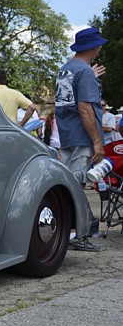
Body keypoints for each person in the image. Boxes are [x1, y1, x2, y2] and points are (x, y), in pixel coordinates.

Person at [55, 27, 108, 251]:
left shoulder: (65, 69)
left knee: (69, 183)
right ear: (94, 47)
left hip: (66, 134)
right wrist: (97, 141)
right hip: (81, 135)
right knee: (76, 186)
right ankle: (76, 235)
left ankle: (74, 230)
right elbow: (85, 108)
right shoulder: (84, 72)